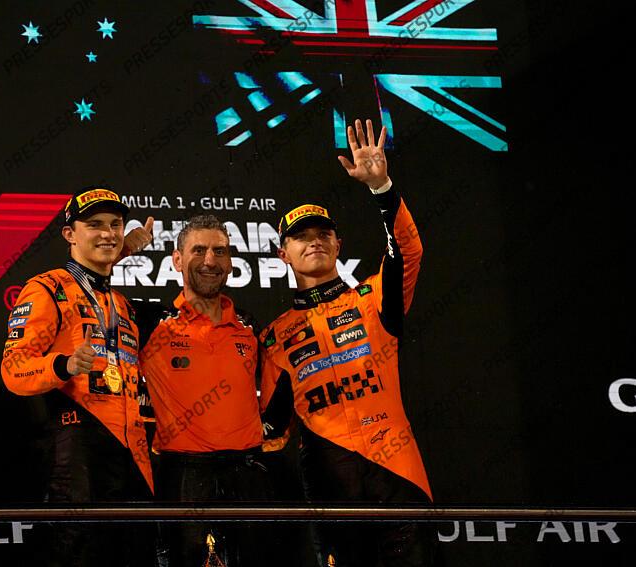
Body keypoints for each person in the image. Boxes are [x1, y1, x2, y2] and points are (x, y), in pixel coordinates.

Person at [259, 119, 436, 566]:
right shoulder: (275, 336)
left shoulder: (374, 298)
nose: (314, 242)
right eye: (301, 237)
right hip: (330, 485)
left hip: (397, 476)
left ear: (338, 244)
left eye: (323, 234)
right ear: (282, 254)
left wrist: (382, 189)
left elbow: (409, 252)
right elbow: (268, 429)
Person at [0, 187, 156, 567]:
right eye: (95, 225)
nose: (108, 233)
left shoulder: (121, 304)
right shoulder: (48, 289)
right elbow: (13, 369)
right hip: (79, 449)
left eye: (115, 225)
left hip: (134, 454)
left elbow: (100, 266)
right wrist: (63, 366)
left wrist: (123, 249)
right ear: (69, 234)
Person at [136, 214, 272, 567]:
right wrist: (123, 252)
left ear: (230, 261)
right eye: (198, 250)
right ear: (176, 260)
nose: (210, 260)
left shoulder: (249, 326)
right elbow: (95, 296)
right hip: (183, 476)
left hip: (248, 474)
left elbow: (277, 393)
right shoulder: (151, 323)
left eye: (219, 251)